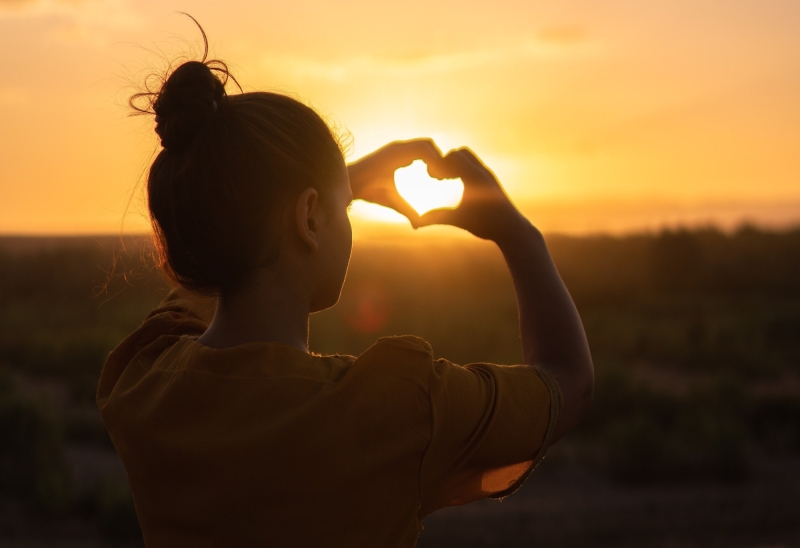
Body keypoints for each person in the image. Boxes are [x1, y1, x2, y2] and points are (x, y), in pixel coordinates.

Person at [97, 29, 594, 548]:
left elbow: (217, 265)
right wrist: (519, 233)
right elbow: (569, 382)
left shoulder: (141, 384)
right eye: (343, 207)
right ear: (309, 217)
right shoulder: (397, 410)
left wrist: (328, 186)